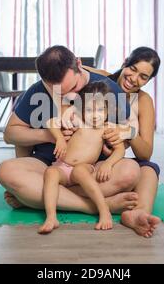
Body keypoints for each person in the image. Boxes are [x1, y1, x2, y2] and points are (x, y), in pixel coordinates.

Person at [0, 46, 143, 232]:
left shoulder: (106, 89)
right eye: (59, 92)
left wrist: (115, 142)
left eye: (74, 87)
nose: (70, 97)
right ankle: (93, 205)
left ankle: (33, 197)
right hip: (49, 165)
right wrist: (49, 136)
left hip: (92, 169)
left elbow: (127, 134)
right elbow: (10, 134)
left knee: (130, 171)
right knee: (6, 171)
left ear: (79, 64)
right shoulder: (38, 90)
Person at [82, 47, 162, 238]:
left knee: (149, 169)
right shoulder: (101, 82)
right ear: (125, 62)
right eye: (133, 69)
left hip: (113, 164)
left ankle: (137, 213)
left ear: (149, 81)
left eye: (143, 77)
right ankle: (102, 201)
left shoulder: (143, 101)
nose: (134, 79)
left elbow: (145, 153)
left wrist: (128, 133)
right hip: (86, 159)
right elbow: (76, 70)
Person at [39, 81, 125, 234]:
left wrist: (108, 164)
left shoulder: (107, 128)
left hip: (84, 168)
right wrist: (59, 138)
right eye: (89, 109)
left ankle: (104, 210)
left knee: (79, 171)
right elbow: (51, 122)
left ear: (108, 111)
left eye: (100, 109)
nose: (95, 115)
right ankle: (51, 217)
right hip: (62, 166)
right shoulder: (78, 120)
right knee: (50, 172)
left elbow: (120, 150)